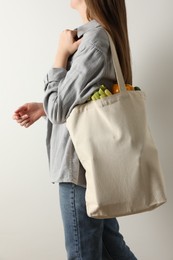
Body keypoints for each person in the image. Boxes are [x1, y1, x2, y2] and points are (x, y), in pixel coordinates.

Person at [13, 0, 137, 259]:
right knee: (113, 249)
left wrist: (60, 55)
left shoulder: (93, 41)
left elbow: (60, 108)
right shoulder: (100, 35)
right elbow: (82, 101)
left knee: (84, 254)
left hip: (79, 168)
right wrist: (43, 107)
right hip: (92, 166)